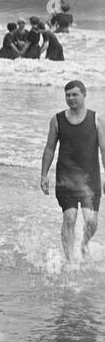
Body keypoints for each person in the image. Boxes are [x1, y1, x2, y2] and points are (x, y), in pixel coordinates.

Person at [40, 80, 104, 262]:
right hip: (65, 177)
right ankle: (69, 260)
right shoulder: (57, 120)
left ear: (84, 94)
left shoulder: (97, 119)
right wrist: (44, 175)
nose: (71, 98)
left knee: (91, 221)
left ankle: (84, 244)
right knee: (69, 217)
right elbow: (49, 148)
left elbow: (104, 149)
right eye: (68, 95)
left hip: (90, 178)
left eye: (75, 94)